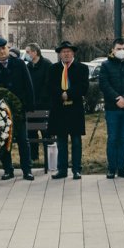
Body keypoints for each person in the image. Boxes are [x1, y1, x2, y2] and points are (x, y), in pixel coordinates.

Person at [0, 36, 35, 180]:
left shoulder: (19, 64)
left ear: (8, 48)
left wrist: (29, 105)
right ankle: (8, 170)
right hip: (1, 111)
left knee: (23, 141)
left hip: (18, 110)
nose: (1, 52)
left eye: (3, 48)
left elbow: (28, 85)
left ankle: (27, 170)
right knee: (4, 141)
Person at [98, 37, 124, 179]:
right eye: (118, 49)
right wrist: (117, 98)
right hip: (112, 108)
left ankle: (122, 168)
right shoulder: (106, 65)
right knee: (112, 138)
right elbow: (104, 84)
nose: (121, 51)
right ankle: (111, 168)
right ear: (113, 49)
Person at [46, 41, 88, 179]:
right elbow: (50, 87)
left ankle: (76, 169)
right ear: (59, 54)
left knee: (76, 141)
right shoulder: (53, 69)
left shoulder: (82, 68)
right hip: (59, 110)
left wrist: (68, 93)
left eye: (69, 51)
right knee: (61, 141)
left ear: (73, 53)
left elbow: (83, 88)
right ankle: (62, 169)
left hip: (75, 109)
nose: (66, 54)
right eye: (63, 52)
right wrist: (61, 94)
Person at [25, 43, 53, 161]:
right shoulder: (28, 66)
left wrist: (41, 100)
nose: (26, 55)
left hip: (44, 105)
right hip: (31, 105)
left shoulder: (47, 65)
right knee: (31, 132)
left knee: (46, 133)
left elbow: (48, 85)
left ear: (35, 52)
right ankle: (34, 157)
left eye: (28, 52)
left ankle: (50, 158)